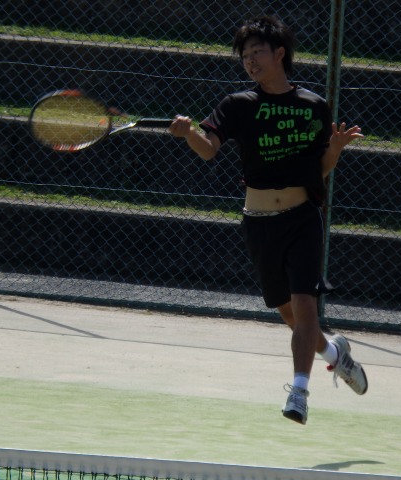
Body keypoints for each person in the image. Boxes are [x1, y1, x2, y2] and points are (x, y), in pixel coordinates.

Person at [169, 15, 367, 425]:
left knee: (305, 304)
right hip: (259, 223)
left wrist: (335, 149)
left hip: (302, 218)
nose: (250, 61)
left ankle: (299, 392)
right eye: (244, 55)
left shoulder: (313, 106)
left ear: (279, 54)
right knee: (290, 314)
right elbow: (208, 149)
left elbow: (319, 169)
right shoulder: (238, 105)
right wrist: (189, 134)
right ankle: (335, 353)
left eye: (257, 52)